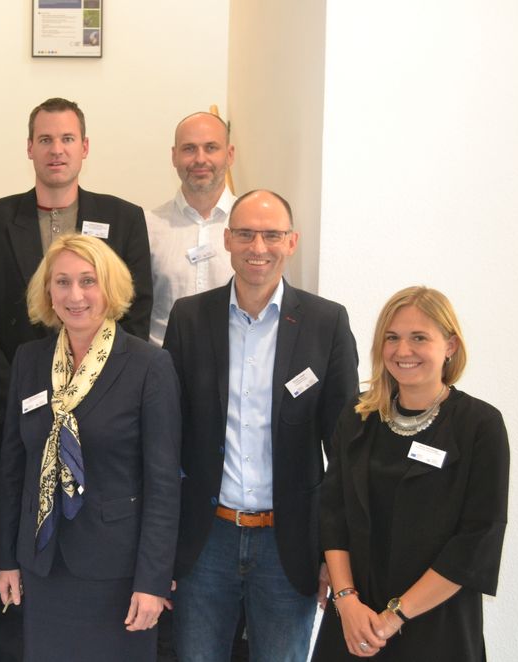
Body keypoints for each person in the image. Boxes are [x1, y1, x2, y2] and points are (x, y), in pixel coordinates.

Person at [0, 96, 153, 662]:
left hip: (106, 418)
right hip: (21, 412)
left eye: (68, 139)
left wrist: (87, 396)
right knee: (20, 556)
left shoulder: (123, 217)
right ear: (29, 148)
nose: (57, 149)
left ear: (85, 148)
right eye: (45, 139)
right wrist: (28, 390)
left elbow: (132, 315)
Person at [164, 190, 359, 662]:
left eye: (272, 235)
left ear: (291, 242)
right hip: (205, 540)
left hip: (288, 545)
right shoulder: (189, 318)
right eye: (247, 233)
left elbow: (346, 451)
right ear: (227, 239)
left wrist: (335, 556)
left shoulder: (326, 323)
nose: (259, 247)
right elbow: (167, 439)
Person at [0, 234, 180, 662]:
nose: (74, 295)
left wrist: (152, 581)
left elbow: (164, 484)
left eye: (87, 281)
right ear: (48, 292)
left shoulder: (149, 366)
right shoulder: (29, 360)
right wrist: (6, 558)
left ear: (109, 288)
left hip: (117, 573)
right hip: (43, 566)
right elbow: (11, 468)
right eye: (62, 282)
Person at [312, 286, 509, 660]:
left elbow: (478, 538)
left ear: (450, 345)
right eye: (392, 338)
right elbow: (333, 513)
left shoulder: (480, 426)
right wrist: (347, 601)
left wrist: (394, 616)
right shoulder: (359, 416)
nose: (403, 351)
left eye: (419, 338)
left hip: (436, 624)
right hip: (356, 622)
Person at [146, 111, 236, 346]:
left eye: (211, 147)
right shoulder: (148, 225)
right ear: (174, 156)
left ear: (229, 155)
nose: (200, 159)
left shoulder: (251, 227)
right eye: (189, 149)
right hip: (164, 369)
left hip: (232, 371)